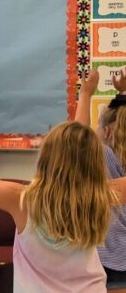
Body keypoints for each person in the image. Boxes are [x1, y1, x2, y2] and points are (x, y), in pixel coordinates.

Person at [0, 97, 126, 292]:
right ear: (95, 163)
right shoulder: (102, 196)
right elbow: (79, 147)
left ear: (46, 158)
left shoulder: (22, 199)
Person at [76, 68, 126, 290]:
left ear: (106, 132)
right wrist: (122, 94)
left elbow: (78, 135)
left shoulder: (102, 155)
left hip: (106, 257)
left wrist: (86, 94)